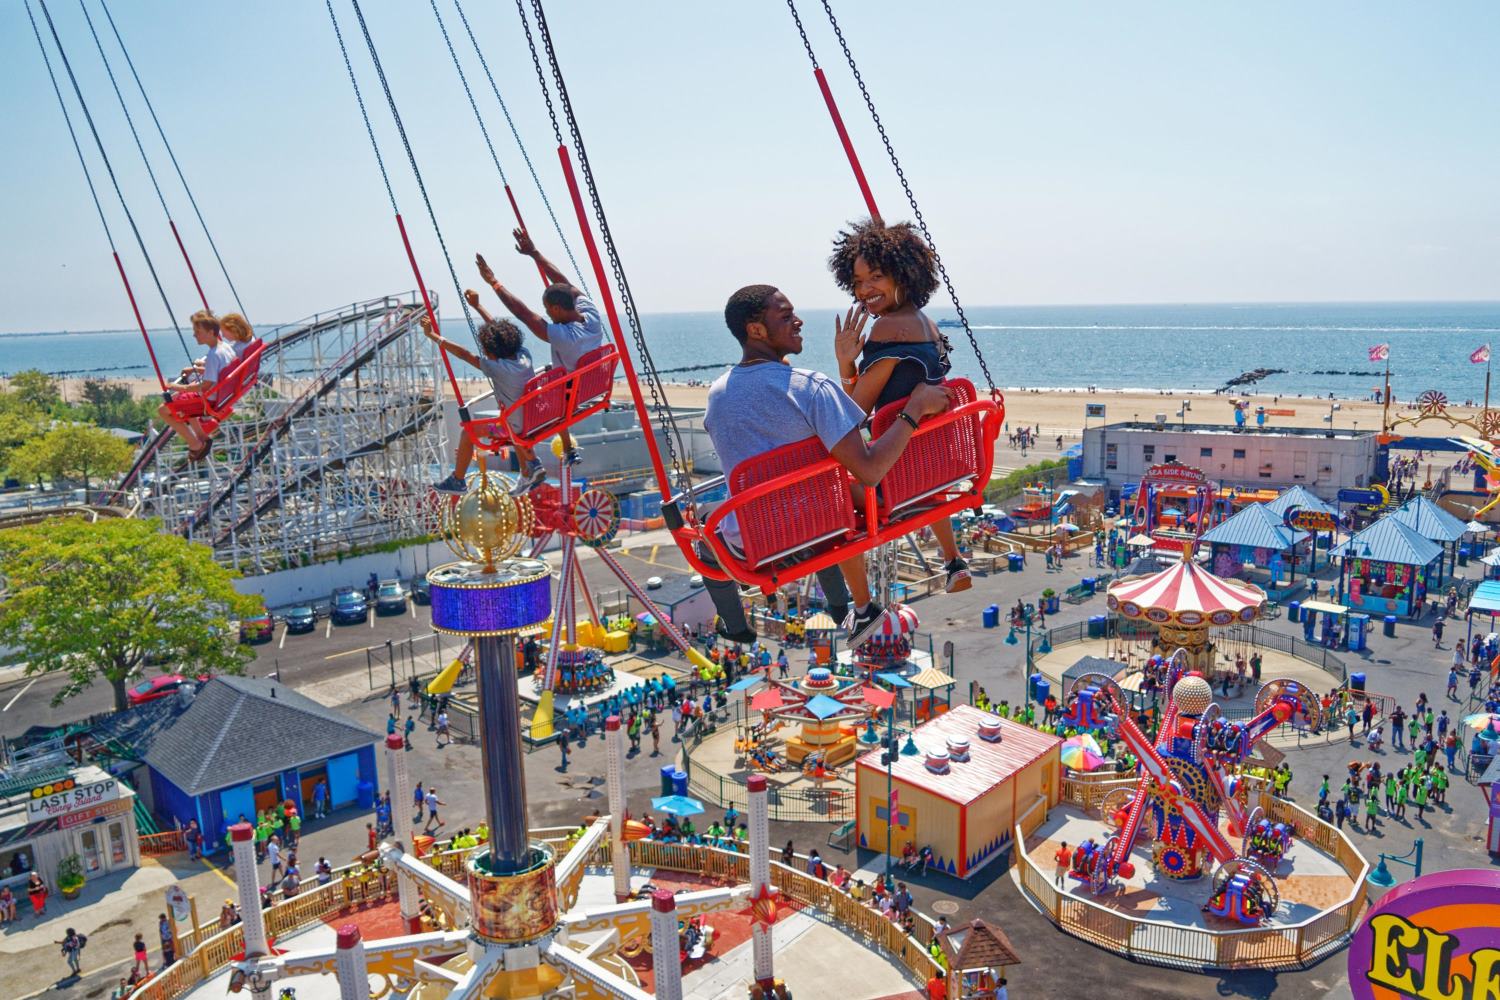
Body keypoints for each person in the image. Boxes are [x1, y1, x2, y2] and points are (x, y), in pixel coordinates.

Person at [699, 285, 952, 649]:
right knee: (829, 503)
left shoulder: (717, 394)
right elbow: (869, 469)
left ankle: (737, 624)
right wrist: (915, 407)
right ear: (756, 330)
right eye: (786, 317)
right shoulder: (810, 387)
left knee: (708, 522)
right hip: (818, 528)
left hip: (752, 544)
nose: (799, 321)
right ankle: (842, 605)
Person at [829, 219, 972, 592]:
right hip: (934, 467)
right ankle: (953, 559)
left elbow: (851, 414)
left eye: (875, 277)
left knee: (829, 498)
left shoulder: (888, 328)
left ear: (902, 275)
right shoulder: (927, 324)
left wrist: (845, 363)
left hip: (897, 477)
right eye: (858, 282)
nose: (865, 290)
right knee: (915, 448)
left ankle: (857, 605)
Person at [474, 230, 603, 467]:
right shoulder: (592, 314)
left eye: (547, 308)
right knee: (551, 383)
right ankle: (567, 449)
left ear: (556, 308)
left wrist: (494, 282)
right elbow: (566, 286)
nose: (545, 313)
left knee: (523, 394)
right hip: (587, 386)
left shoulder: (565, 336)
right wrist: (534, 254)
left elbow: (523, 314)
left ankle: (530, 465)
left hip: (567, 394)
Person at [424, 311, 546, 496]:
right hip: (533, 419)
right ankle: (529, 470)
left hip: (515, 426)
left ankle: (458, 479)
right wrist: (478, 306)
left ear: (491, 351)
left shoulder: (496, 368)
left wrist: (433, 336)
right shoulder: (524, 356)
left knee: (469, 432)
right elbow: (503, 336)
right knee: (513, 426)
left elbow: (465, 355)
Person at [157, 310, 239, 461]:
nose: (195, 335)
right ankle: (201, 436)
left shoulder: (213, 355)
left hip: (208, 400)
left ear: (211, 332)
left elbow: (206, 385)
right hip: (219, 395)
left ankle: (195, 444)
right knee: (181, 398)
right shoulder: (225, 348)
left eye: (198, 331)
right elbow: (217, 373)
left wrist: (180, 387)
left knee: (163, 410)